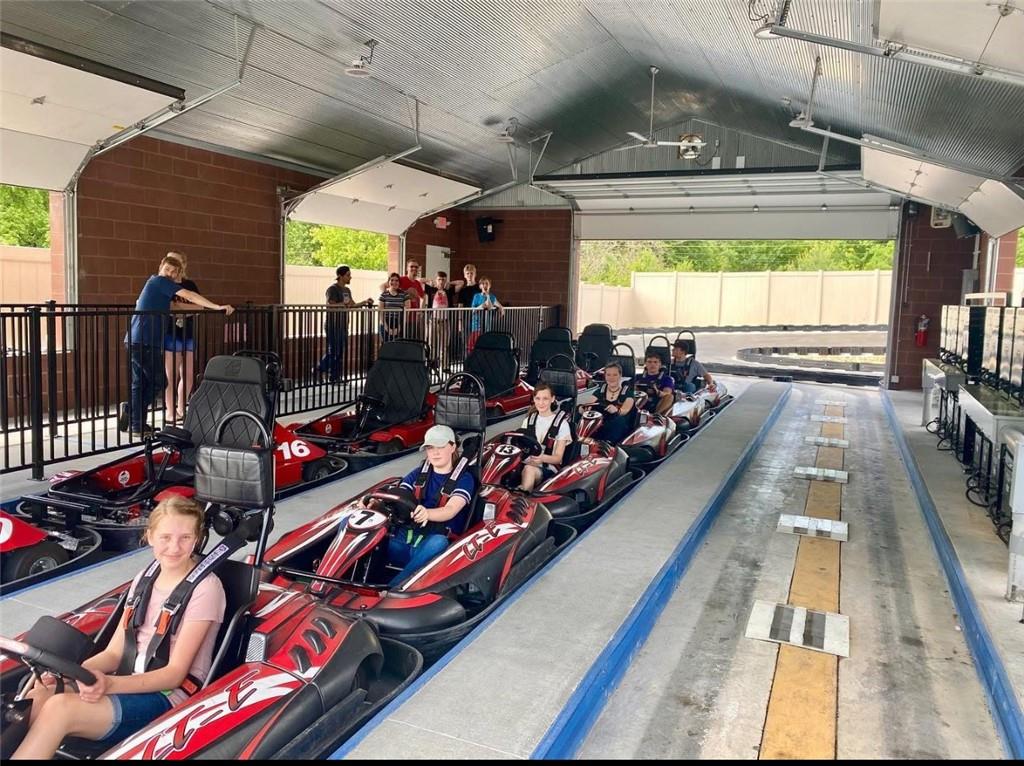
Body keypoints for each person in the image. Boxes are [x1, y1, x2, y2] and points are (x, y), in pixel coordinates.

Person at [11, 496, 226, 759]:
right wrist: (69, 674)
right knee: (43, 693)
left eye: (185, 538)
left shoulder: (206, 589)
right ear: (149, 536)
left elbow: (174, 675)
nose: (174, 547)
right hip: (127, 680)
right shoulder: (145, 578)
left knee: (61, 708)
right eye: (165, 537)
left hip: (169, 697)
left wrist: (108, 684)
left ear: (197, 539)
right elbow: (115, 653)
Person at [120, 254, 233, 437]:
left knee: (140, 383)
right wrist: (216, 306)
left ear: (179, 274)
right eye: (167, 269)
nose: (169, 274)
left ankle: (136, 423)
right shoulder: (159, 281)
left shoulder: (161, 289)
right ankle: (132, 412)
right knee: (159, 381)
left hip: (141, 340)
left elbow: (179, 305)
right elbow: (189, 295)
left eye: (174, 272)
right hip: (143, 340)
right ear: (160, 267)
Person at [386, 425, 476, 587]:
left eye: (440, 447)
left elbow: (450, 510)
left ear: (452, 447)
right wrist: (375, 503)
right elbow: (400, 494)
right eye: (430, 448)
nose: (435, 452)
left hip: (436, 542)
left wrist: (427, 513)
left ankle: (396, 587)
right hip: (408, 537)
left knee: (438, 542)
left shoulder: (464, 479)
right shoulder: (418, 474)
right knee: (378, 534)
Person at [317, 265, 373, 383]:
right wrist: (343, 304)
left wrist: (364, 302)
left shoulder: (347, 290)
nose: (350, 277)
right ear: (340, 276)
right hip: (333, 324)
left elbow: (352, 305)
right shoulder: (332, 289)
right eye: (348, 275)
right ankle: (319, 369)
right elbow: (330, 305)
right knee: (334, 350)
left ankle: (335, 376)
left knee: (340, 351)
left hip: (343, 324)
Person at [162, 252, 199, 425]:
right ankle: (170, 412)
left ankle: (181, 408)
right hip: (171, 333)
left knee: (188, 375)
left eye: (177, 262)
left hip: (188, 332)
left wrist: (182, 309)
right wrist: (179, 309)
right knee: (171, 375)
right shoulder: (164, 284)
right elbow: (168, 306)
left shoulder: (189, 284)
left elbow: (198, 305)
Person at [518, 382, 572, 492]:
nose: (541, 403)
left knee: (529, 469)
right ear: (534, 399)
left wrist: (541, 458)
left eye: (545, 399)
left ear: (552, 399)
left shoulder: (562, 424)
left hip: (548, 469)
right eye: (538, 398)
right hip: (528, 462)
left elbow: (558, 458)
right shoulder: (528, 420)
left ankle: (523, 496)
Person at [584, 361, 636, 444]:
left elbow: (625, 410)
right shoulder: (599, 392)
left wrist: (617, 410)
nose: (611, 378)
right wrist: (583, 409)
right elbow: (588, 404)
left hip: (620, 426)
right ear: (605, 376)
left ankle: (608, 444)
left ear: (620, 376)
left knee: (618, 420)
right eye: (608, 375)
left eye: (615, 375)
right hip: (600, 424)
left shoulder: (627, 393)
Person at [424, 271, 460, 372]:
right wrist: (429, 281)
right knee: (431, 344)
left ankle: (444, 366)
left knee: (444, 345)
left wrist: (450, 283)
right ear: (436, 280)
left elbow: (461, 283)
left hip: (445, 321)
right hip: (433, 320)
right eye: (439, 279)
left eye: (443, 280)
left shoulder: (448, 291)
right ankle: (432, 365)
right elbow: (419, 281)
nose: (441, 282)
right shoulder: (431, 289)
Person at [468, 277, 504, 353]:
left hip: (487, 325)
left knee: (484, 345)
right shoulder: (476, 296)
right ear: (480, 286)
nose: (485, 285)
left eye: (486, 283)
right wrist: (481, 306)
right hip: (476, 325)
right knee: (473, 345)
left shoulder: (492, 297)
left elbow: (491, 306)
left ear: (490, 286)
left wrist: (488, 296)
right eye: (483, 284)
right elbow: (473, 310)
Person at [378, 272, 411, 342]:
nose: (394, 282)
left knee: (398, 344)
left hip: (399, 322)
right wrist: (386, 328)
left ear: (399, 282)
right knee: (387, 345)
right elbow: (380, 312)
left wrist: (399, 327)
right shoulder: (383, 295)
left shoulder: (404, 295)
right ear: (388, 282)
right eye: (392, 280)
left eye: (396, 280)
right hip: (385, 322)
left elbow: (407, 312)